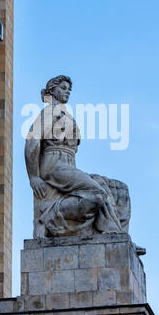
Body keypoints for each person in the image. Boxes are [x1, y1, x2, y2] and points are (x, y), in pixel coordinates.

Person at [25, 75, 123, 237]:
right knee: (97, 192)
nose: (67, 91)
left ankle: (114, 232)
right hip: (55, 166)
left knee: (113, 188)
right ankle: (48, 218)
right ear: (52, 91)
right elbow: (32, 142)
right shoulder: (50, 112)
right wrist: (34, 177)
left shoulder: (65, 115)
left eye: (69, 89)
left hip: (68, 166)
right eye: (63, 88)